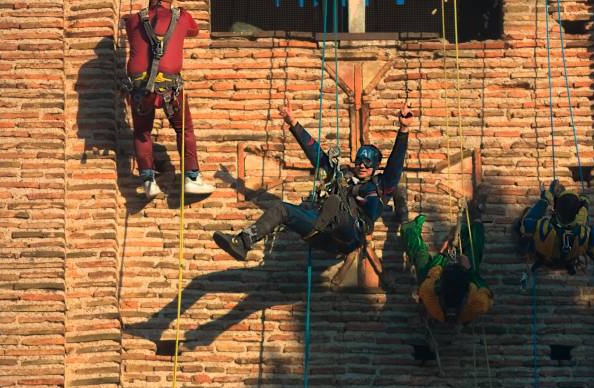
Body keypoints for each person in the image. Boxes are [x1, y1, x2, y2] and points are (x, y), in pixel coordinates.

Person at [213, 101, 412, 259]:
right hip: (321, 233)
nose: (362, 165)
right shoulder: (342, 177)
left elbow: (395, 164)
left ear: (375, 167)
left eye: (368, 163)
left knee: (337, 204)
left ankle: (324, 220)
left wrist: (403, 130)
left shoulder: (381, 186)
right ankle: (243, 242)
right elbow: (318, 156)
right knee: (282, 209)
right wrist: (294, 124)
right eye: (359, 160)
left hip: (348, 235)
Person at [124, 0, 214, 198]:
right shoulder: (181, 17)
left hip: (140, 88)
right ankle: (191, 177)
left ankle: (148, 180)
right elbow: (194, 31)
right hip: (169, 87)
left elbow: (135, 34)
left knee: (142, 132)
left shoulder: (133, 20)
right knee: (184, 129)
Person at [396, 187, 493, 325]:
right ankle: (477, 216)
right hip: (464, 291)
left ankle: (404, 219)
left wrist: (442, 253)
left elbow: (433, 273)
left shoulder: (429, 292)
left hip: (439, 306)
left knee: (420, 255)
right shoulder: (479, 300)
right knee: (474, 251)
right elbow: (485, 289)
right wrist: (470, 270)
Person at [514, 179, 594, 274]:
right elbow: (581, 218)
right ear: (577, 211)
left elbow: (527, 222)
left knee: (523, 224)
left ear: (556, 208)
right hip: (568, 261)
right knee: (590, 234)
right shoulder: (586, 234)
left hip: (545, 259)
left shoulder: (542, 227)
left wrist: (545, 199)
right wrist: (584, 204)